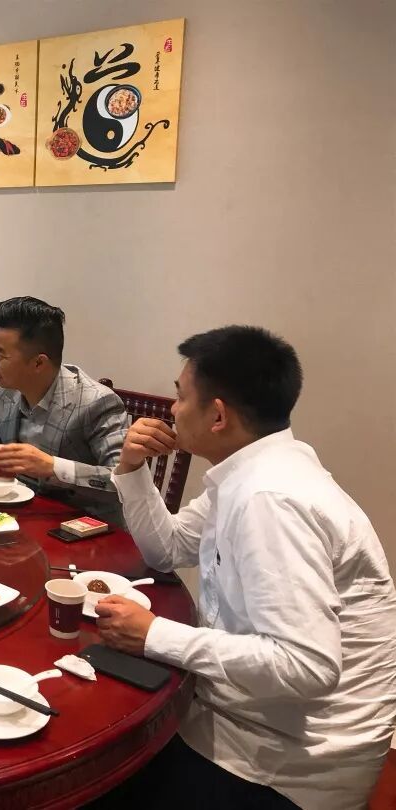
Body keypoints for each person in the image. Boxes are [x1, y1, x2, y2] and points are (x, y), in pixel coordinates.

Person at [94, 326, 396, 810]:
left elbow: (306, 666)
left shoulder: (270, 498)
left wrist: (154, 634)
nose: (172, 409)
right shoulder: (248, 473)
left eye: (180, 396)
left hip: (288, 764)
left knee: (104, 783)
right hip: (251, 719)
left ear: (217, 415)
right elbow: (166, 550)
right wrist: (131, 468)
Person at [0, 296, 128, 517]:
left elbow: (123, 483)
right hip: (20, 515)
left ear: (39, 363)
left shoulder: (96, 402)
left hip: (82, 525)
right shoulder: (3, 393)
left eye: (0, 353)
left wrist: (53, 467)